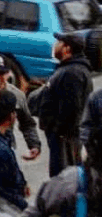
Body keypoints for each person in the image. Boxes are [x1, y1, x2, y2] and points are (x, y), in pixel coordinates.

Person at [34, 33, 91, 176]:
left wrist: (59, 132)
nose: (55, 45)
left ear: (67, 48)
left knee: (63, 175)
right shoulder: (68, 69)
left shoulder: (72, 72)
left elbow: (72, 108)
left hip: (64, 138)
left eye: (59, 42)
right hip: (62, 137)